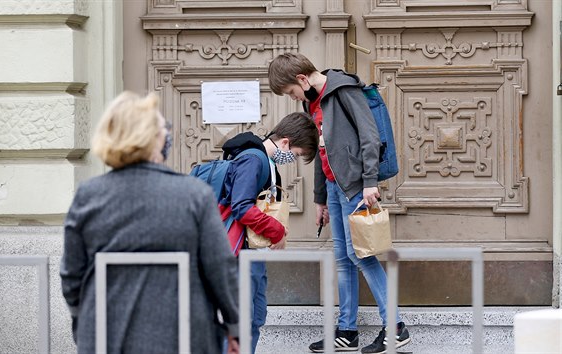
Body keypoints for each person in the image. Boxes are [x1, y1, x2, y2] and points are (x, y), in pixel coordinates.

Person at [60, 91, 240, 354]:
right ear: (151, 137)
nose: (166, 134)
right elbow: (221, 269)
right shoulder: (194, 195)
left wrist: (83, 321)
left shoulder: (88, 196)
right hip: (182, 337)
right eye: (162, 128)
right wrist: (234, 326)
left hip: (107, 337)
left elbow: (71, 275)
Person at [268, 53, 411, 353]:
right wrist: (320, 198)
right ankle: (347, 331)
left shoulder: (343, 90)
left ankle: (395, 328)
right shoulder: (313, 101)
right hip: (334, 187)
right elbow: (321, 151)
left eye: (292, 93)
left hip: (355, 184)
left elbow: (370, 136)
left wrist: (370, 181)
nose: (295, 99)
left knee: (360, 255)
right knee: (343, 258)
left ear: (302, 80)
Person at [219, 111, 319, 354]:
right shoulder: (254, 159)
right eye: (295, 154)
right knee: (242, 320)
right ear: (285, 142)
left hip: (253, 253)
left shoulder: (266, 162)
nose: (292, 159)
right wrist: (277, 232)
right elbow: (242, 207)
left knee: (254, 317)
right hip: (240, 254)